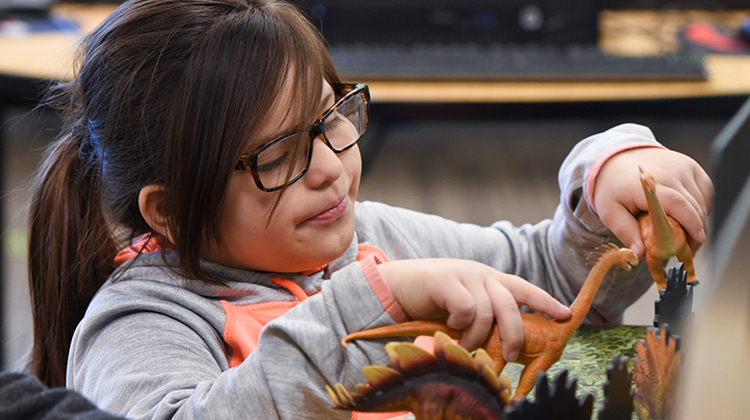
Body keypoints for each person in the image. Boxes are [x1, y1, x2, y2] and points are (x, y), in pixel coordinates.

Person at [26, 0, 713, 418]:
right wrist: (369, 304)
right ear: (170, 213)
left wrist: (605, 185)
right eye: (275, 155)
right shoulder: (140, 322)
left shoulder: (368, 239)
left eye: (330, 119)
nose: (330, 167)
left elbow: (551, 283)